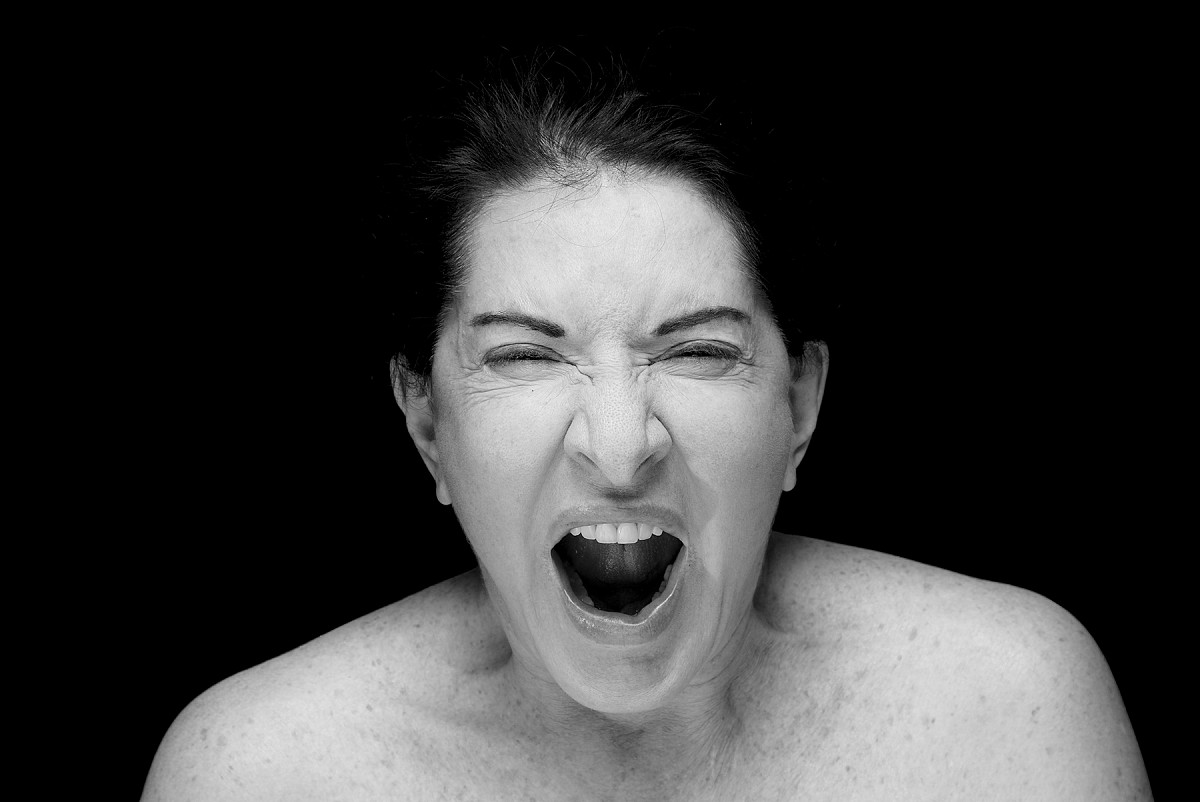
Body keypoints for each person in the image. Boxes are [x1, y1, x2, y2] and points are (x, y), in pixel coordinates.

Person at [141, 48, 1152, 801]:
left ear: (799, 406)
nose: (621, 448)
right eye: (525, 355)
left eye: (701, 350)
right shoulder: (254, 771)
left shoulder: (1007, 709)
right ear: (426, 426)